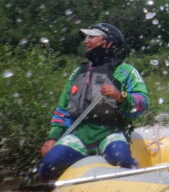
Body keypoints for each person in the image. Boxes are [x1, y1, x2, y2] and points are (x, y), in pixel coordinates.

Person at [38, 23, 149, 180]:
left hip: (110, 133)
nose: (86, 41)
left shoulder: (126, 71)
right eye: (86, 37)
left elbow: (143, 102)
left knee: (123, 160)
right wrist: (53, 138)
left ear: (108, 43)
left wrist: (121, 96)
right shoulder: (78, 72)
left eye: (92, 37)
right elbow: (63, 109)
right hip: (79, 135)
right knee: (48, 165)